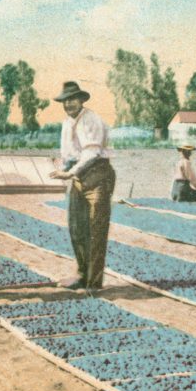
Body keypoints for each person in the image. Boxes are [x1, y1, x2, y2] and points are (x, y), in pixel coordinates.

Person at [48, 81, 115, 291]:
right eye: (65, 100)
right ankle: (81, 274)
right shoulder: (67, 123)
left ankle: (93, 283)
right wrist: (61, 167)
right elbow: (68, 155)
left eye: (72, 99)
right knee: (77, 228)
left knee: (95, 230)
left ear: (81, 100)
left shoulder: (91, 120)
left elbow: (92, 153)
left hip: (97, 176)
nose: (68, 104)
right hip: (78, 177)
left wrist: (69, 172)